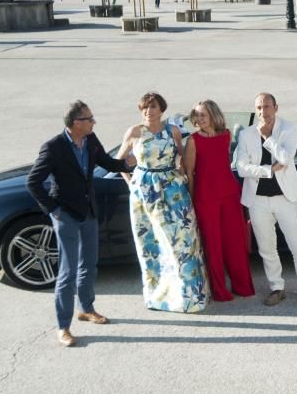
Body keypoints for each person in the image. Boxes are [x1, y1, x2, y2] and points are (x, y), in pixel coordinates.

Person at [26, 101, 135, 347]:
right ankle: (63, 326)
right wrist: (54, 210)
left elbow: (107, 163)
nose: (93, 122)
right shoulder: (54, 148)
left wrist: (128, 163)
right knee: (68, 272)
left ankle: (86, 308)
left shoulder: (91, 140)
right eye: (89, 119)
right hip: (66, 216)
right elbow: (33, 182)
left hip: (89, 212)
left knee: (90, 264)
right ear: (77, 123)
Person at [116, 93, 208, 313]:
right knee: (151, 244)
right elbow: (118, 162)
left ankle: (191, 296)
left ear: (162, 109)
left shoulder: (173, 131)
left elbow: (181, 159)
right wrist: (132, 185)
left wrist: (186, 180)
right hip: (144, 193)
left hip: (173, 189)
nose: (149, 111)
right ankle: (159, 297)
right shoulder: (134, 132)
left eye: (153, 106)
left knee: (184, 242)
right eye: (145, 107)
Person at [235, 93, 297, 308]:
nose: (263, 112)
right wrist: (267, 170)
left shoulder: (289, 129)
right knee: (266, 248)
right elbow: (241, 167)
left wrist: (268, 138)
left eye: (266, 107)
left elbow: (285, 158)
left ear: (276, 107)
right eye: (259, 107)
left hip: (285, 198)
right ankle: (277, 287)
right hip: (257, 200)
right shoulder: (245, 134)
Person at [184, 99, 255, 302]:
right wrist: (192, 201)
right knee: (213, 245)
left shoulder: (226, 135)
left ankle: (242, 286)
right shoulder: (193, 140)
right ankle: (220, 290)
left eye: (203, 115)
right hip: (205, 198)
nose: (199, 119)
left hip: (230, 194)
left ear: (214, 115)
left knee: (235, 242)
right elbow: (189, 173)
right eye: (196, 115)